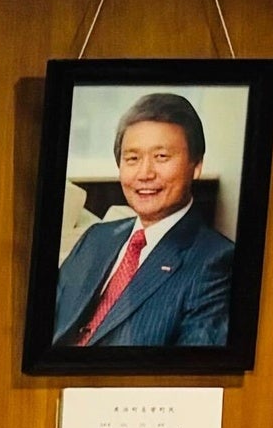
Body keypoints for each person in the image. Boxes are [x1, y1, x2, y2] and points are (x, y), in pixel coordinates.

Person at [52, 90, 236, 349]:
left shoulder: (217, 261)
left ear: (196, 165)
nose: (145, 173)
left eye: (161, 157)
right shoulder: (97, 237)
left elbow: (191, 368)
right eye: (132, 159)